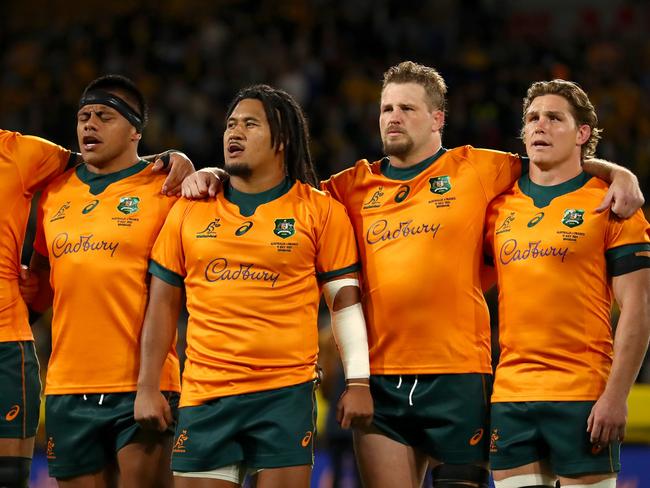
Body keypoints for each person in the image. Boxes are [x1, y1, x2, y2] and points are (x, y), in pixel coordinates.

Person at [180, 61, 644, 488]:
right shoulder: (346, 188)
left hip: (459, 375)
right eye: (386, 108)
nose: (392, 117)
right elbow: (271, 191)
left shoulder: (480, 168)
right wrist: (215, 173)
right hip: (380, 381)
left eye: (406, 107)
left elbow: (556, 164)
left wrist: (618, 174)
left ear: (438, 119)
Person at [134, 84, 373, 488]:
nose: (234, 133)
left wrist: (359, 382)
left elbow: (344, 303)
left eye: (249, 124)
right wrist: (147, 387)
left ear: (281, 139)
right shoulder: (189, 211)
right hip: (205, 396)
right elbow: (160, 306)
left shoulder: (320, 211)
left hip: (285, 396)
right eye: (230, 124)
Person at [1, 122, 191, 488]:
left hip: (11, 345)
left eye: (102, 115)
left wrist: (176, 160)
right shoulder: (48, 187)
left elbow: (103, 160)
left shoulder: (20, 152)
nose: (90, 123)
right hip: (66, 387)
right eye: (85, 115)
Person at [484, 79, 650, 488]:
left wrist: (616, 396)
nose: (540, 125)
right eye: (532, 118)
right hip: (510, 397)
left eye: (554, 118)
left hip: (585, 396)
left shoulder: (614, 206)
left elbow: (638, 310)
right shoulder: (497, 206)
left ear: (582, 134)